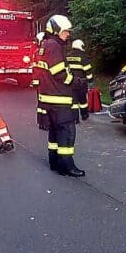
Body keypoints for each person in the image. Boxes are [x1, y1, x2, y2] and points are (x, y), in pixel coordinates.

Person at [33, 15, 85, 177]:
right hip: (60, 100)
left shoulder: (44, 46)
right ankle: (67, 166)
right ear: (55, 30)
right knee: (67, 133)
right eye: (65, 31)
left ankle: (54, 162)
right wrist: (76, 82)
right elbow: (59, 73)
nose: (68, 34)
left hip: (48, 99)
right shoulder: (54, 46)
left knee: (54, 133)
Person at [67, 39, 94, 121]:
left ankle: (75, 118)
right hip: (81, 82)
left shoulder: (68, 56)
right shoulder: (83, 57)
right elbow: (88, 70)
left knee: (73, 100)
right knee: (83, 100)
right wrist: (90, 81)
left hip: (71, 82)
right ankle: (84, 115)